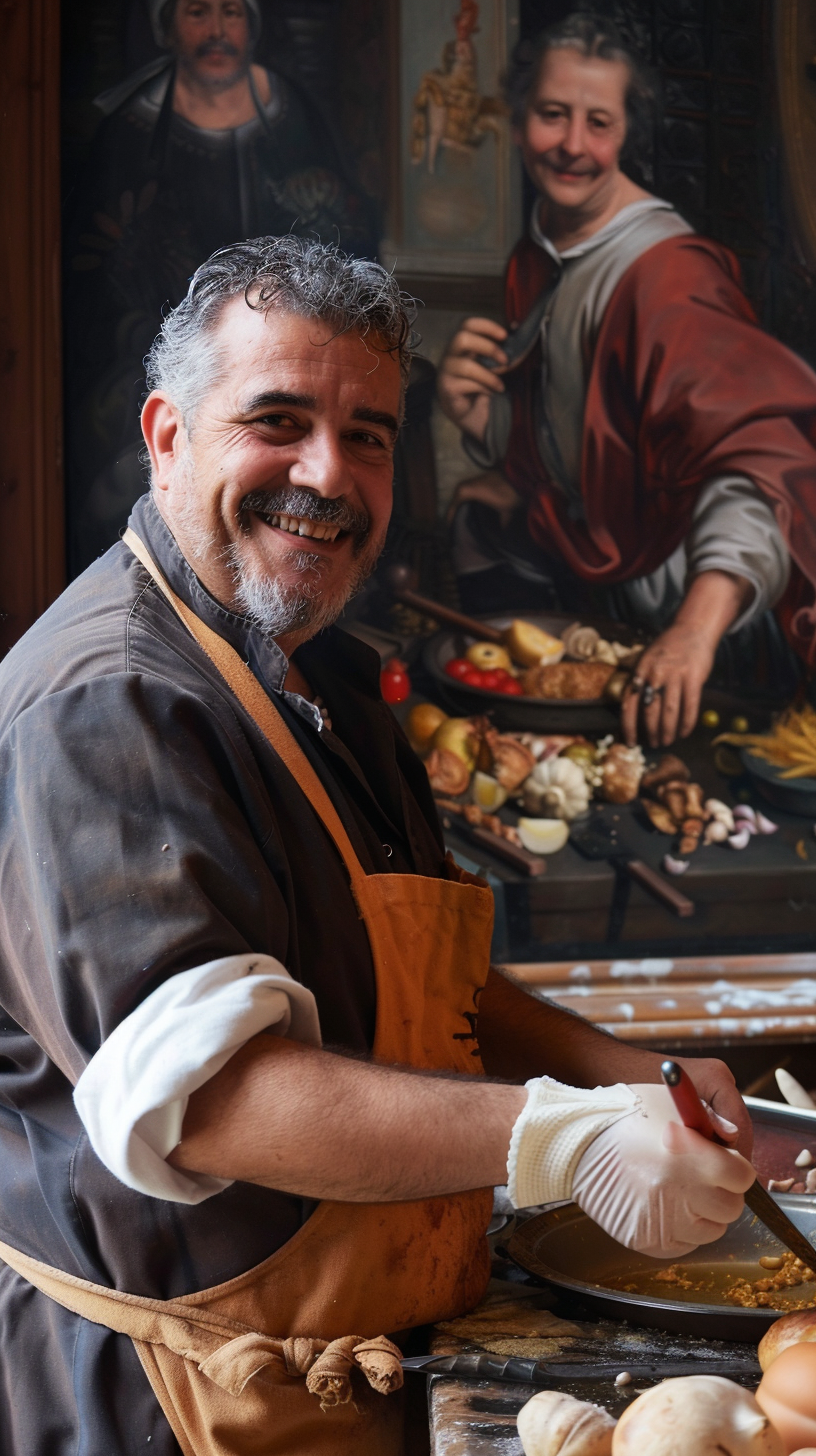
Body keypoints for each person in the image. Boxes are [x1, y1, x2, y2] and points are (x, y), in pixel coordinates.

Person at [0, 236, 754, 1455]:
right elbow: (217, 1100)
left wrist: (631, 1076)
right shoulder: (107, 702)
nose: (326, 474)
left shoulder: (324, 681)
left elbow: (426, 988)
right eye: (278, 419)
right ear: (168, 433)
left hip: (368, 1364)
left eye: (368, 436)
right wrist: (567, 1135)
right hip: (176, 1399)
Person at [437, 13, 816, 748]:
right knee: (479, 519)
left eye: (598, 122)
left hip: (706, 617)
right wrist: (485, 421)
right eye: (553, 115)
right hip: (608, 566)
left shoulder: (668, 275)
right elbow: (593, 434)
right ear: (518, 124)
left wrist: (695, 632)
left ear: (625, 134)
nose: (573, 144)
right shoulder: (543, 249)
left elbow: (756, 471)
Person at [64, 0, 375, 576]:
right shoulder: (129, 130)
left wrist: (326, 205)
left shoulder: (294, 112)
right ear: (165, 26)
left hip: (299, 359)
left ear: (253, 25)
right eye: (197, 12)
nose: (217, 31)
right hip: (154, 356)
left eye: (231, 13)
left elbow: (353, 238)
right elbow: (91, 273)